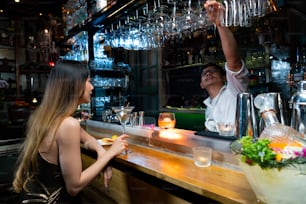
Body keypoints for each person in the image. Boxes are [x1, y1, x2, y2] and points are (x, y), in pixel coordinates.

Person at [12, 60, 129, 203]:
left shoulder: (46, 118)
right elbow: (74, 186)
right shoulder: (68, 124)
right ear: (75, 85)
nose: (92, 87)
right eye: (88, 81)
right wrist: (110, 154)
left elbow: (87, 139)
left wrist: (101, 152)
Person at [200, 1, 249, 132]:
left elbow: (234, 62)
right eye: (204, 74)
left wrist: (220, 24)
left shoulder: (234, 91)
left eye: (213, 71)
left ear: (225, 78)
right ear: (201, 84)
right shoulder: (208, 106)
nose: (208, 74)